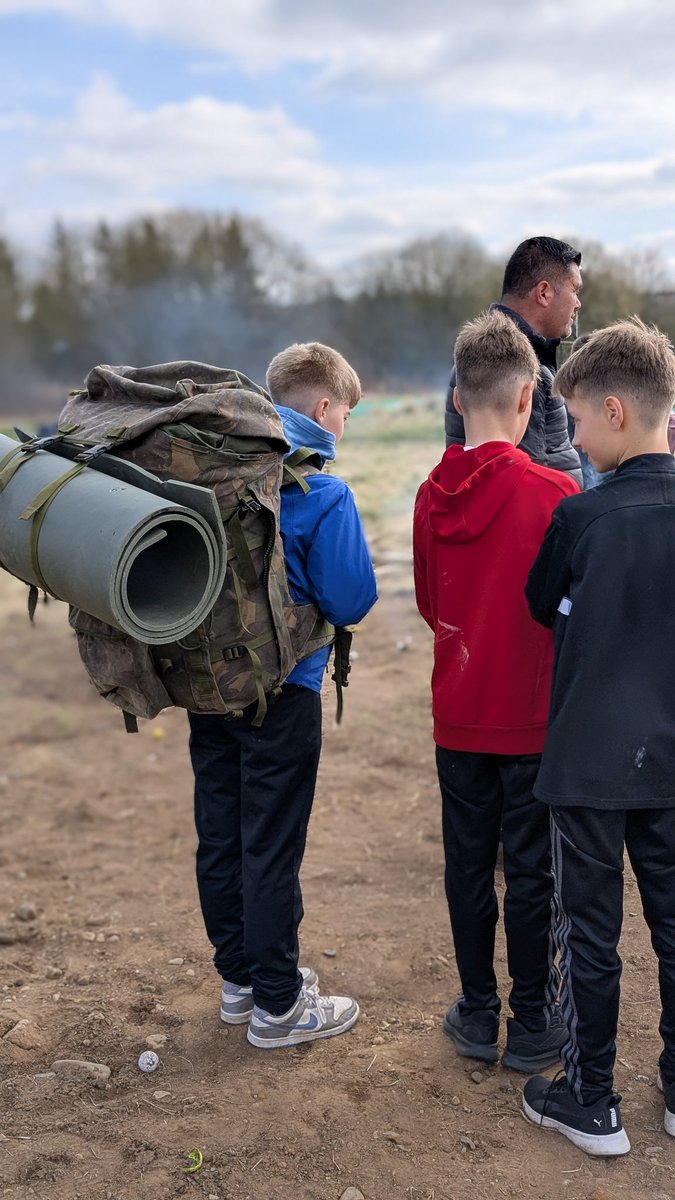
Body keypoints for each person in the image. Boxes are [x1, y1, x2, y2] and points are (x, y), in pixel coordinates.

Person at [188, 342, 377, 1049]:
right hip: (284, 694)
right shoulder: (319, 491)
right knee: (270, 846)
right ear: (325, 409)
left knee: (222, 834)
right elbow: (350, 597)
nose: (346, 427)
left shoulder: (212, 476)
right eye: (347, 415)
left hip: (207, 685)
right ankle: (278, 1007)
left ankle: (239, 984)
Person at [522, 318, 675, 1156]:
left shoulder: (580, 519)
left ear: (614, 411)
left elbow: (542, 606)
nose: (573, 437)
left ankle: (591, 1101)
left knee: (589, 934)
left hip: (584, 766)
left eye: (576, 420)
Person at [414, 310, 579, 1073]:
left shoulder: (426, 496)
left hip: (459, 712)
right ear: (526, 401)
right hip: (531, 718)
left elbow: (426, 601)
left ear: (455, 399)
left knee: (466, 864)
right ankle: (534, 1020)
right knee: (531, 869)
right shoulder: (552, 492)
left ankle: (477, 1012)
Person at [445, 236, 583, 486]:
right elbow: (524, 489)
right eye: (574, 290)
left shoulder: (475, 358)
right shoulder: (518, 370)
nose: (578, 303)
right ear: (544, 293)